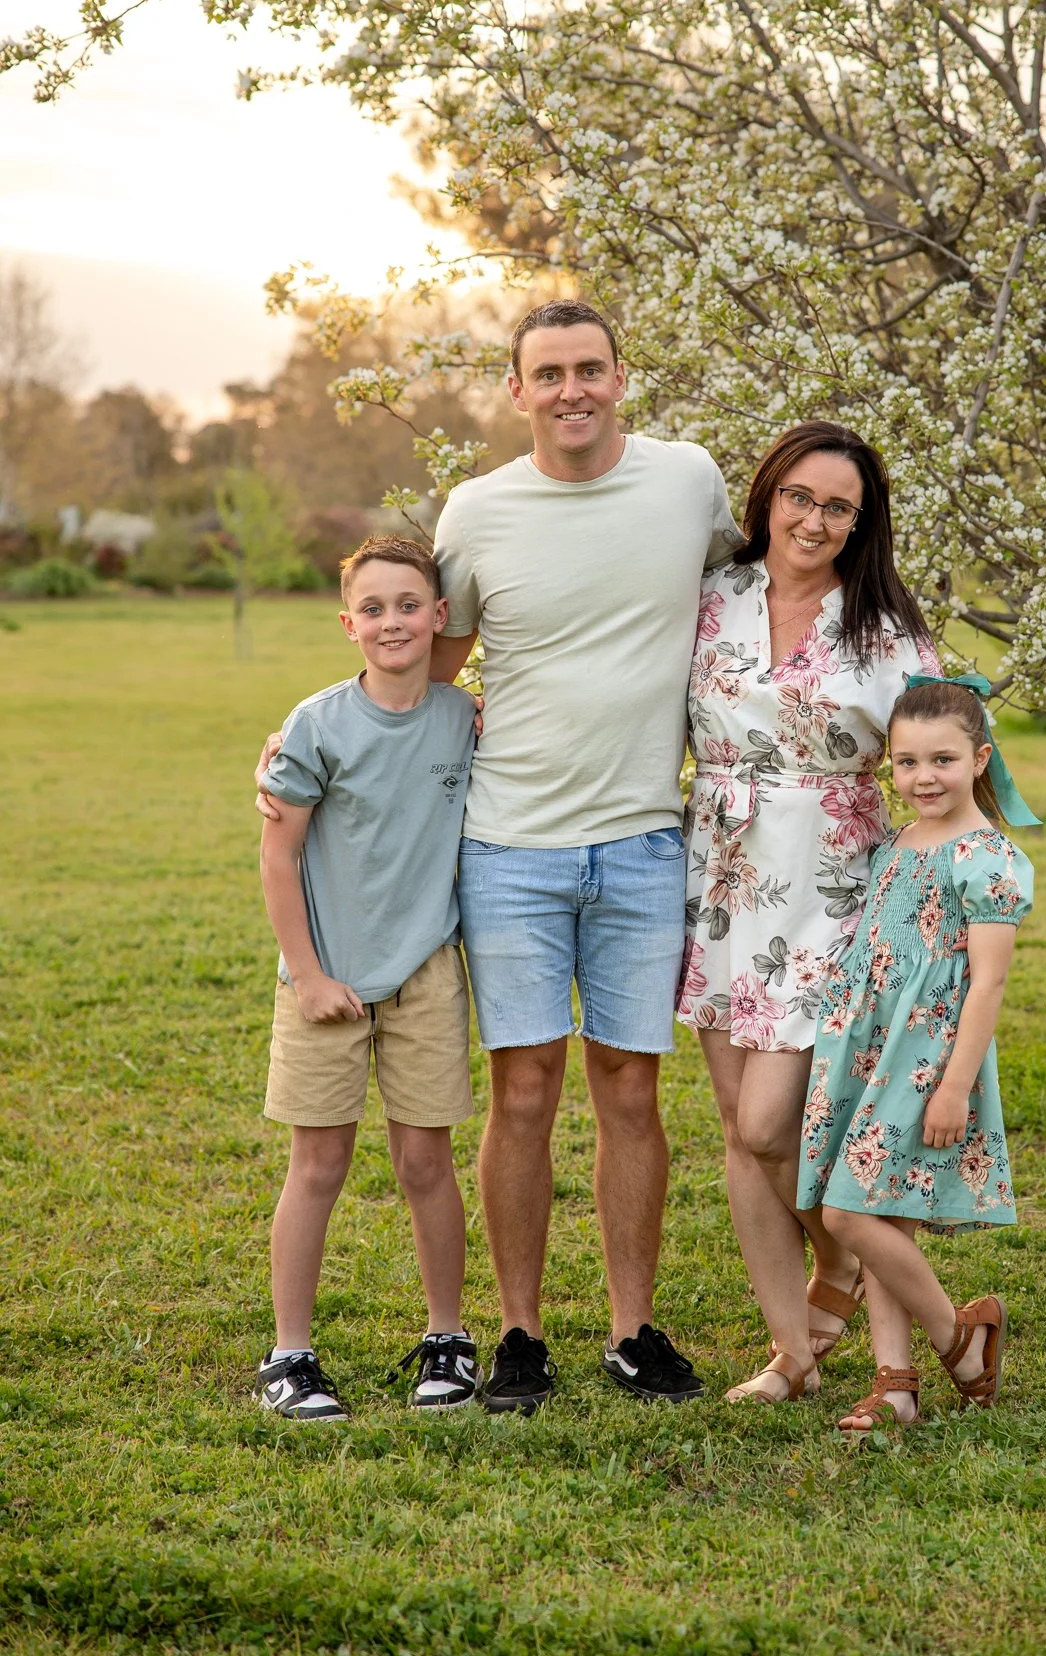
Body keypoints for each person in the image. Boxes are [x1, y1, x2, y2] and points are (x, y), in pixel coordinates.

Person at [427, 299, 740, 1412]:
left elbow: (751, 598)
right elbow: (431, 661)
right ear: (516, 391)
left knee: (629, 1090)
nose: (571, 390)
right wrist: (315, 732)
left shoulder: (687, 480)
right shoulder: (475, 512)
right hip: (508, 845)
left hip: (647, 838)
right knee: (521, 1090)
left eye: (589, 369)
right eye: (547, 372)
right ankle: (518, 1333)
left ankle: (632, 1328)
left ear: (621, 376)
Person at [677, 421, 940, 1404]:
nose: (814, 518)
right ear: (767, 495)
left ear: (860, 524)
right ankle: (792, 1347)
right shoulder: (714, 598)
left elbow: (948, 754)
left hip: (832, 884)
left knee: (769, 1118)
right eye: (800, 495)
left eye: (838, 506)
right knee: (742, 1135)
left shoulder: (881, 630)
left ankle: (868, 1278)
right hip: (718, 882)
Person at [254, 535, 478, 1421]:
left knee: (427, 1158)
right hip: (326, 974)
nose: (393, 621)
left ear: (439, 616)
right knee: (318, 1162)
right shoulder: (315, 723)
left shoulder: (464, 719)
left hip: (426, 972)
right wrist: (307, 974)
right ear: (348, 624)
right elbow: (279, 854)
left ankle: (447, 1339)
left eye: (409, 604)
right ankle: (291, 1354)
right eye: (373, 608)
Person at [797, 675, 1038, 1434]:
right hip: (867, 1045)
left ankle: (959, 1338)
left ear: (979, 759)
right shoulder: (895, 844)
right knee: (884, 1214)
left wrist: (954, 1085)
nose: (922, 777)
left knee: (847, 1210)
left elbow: (988, 983)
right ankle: (894, 1385)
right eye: (906, 763)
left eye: (941, 759)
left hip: (928, 1055)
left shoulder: (987, 858)